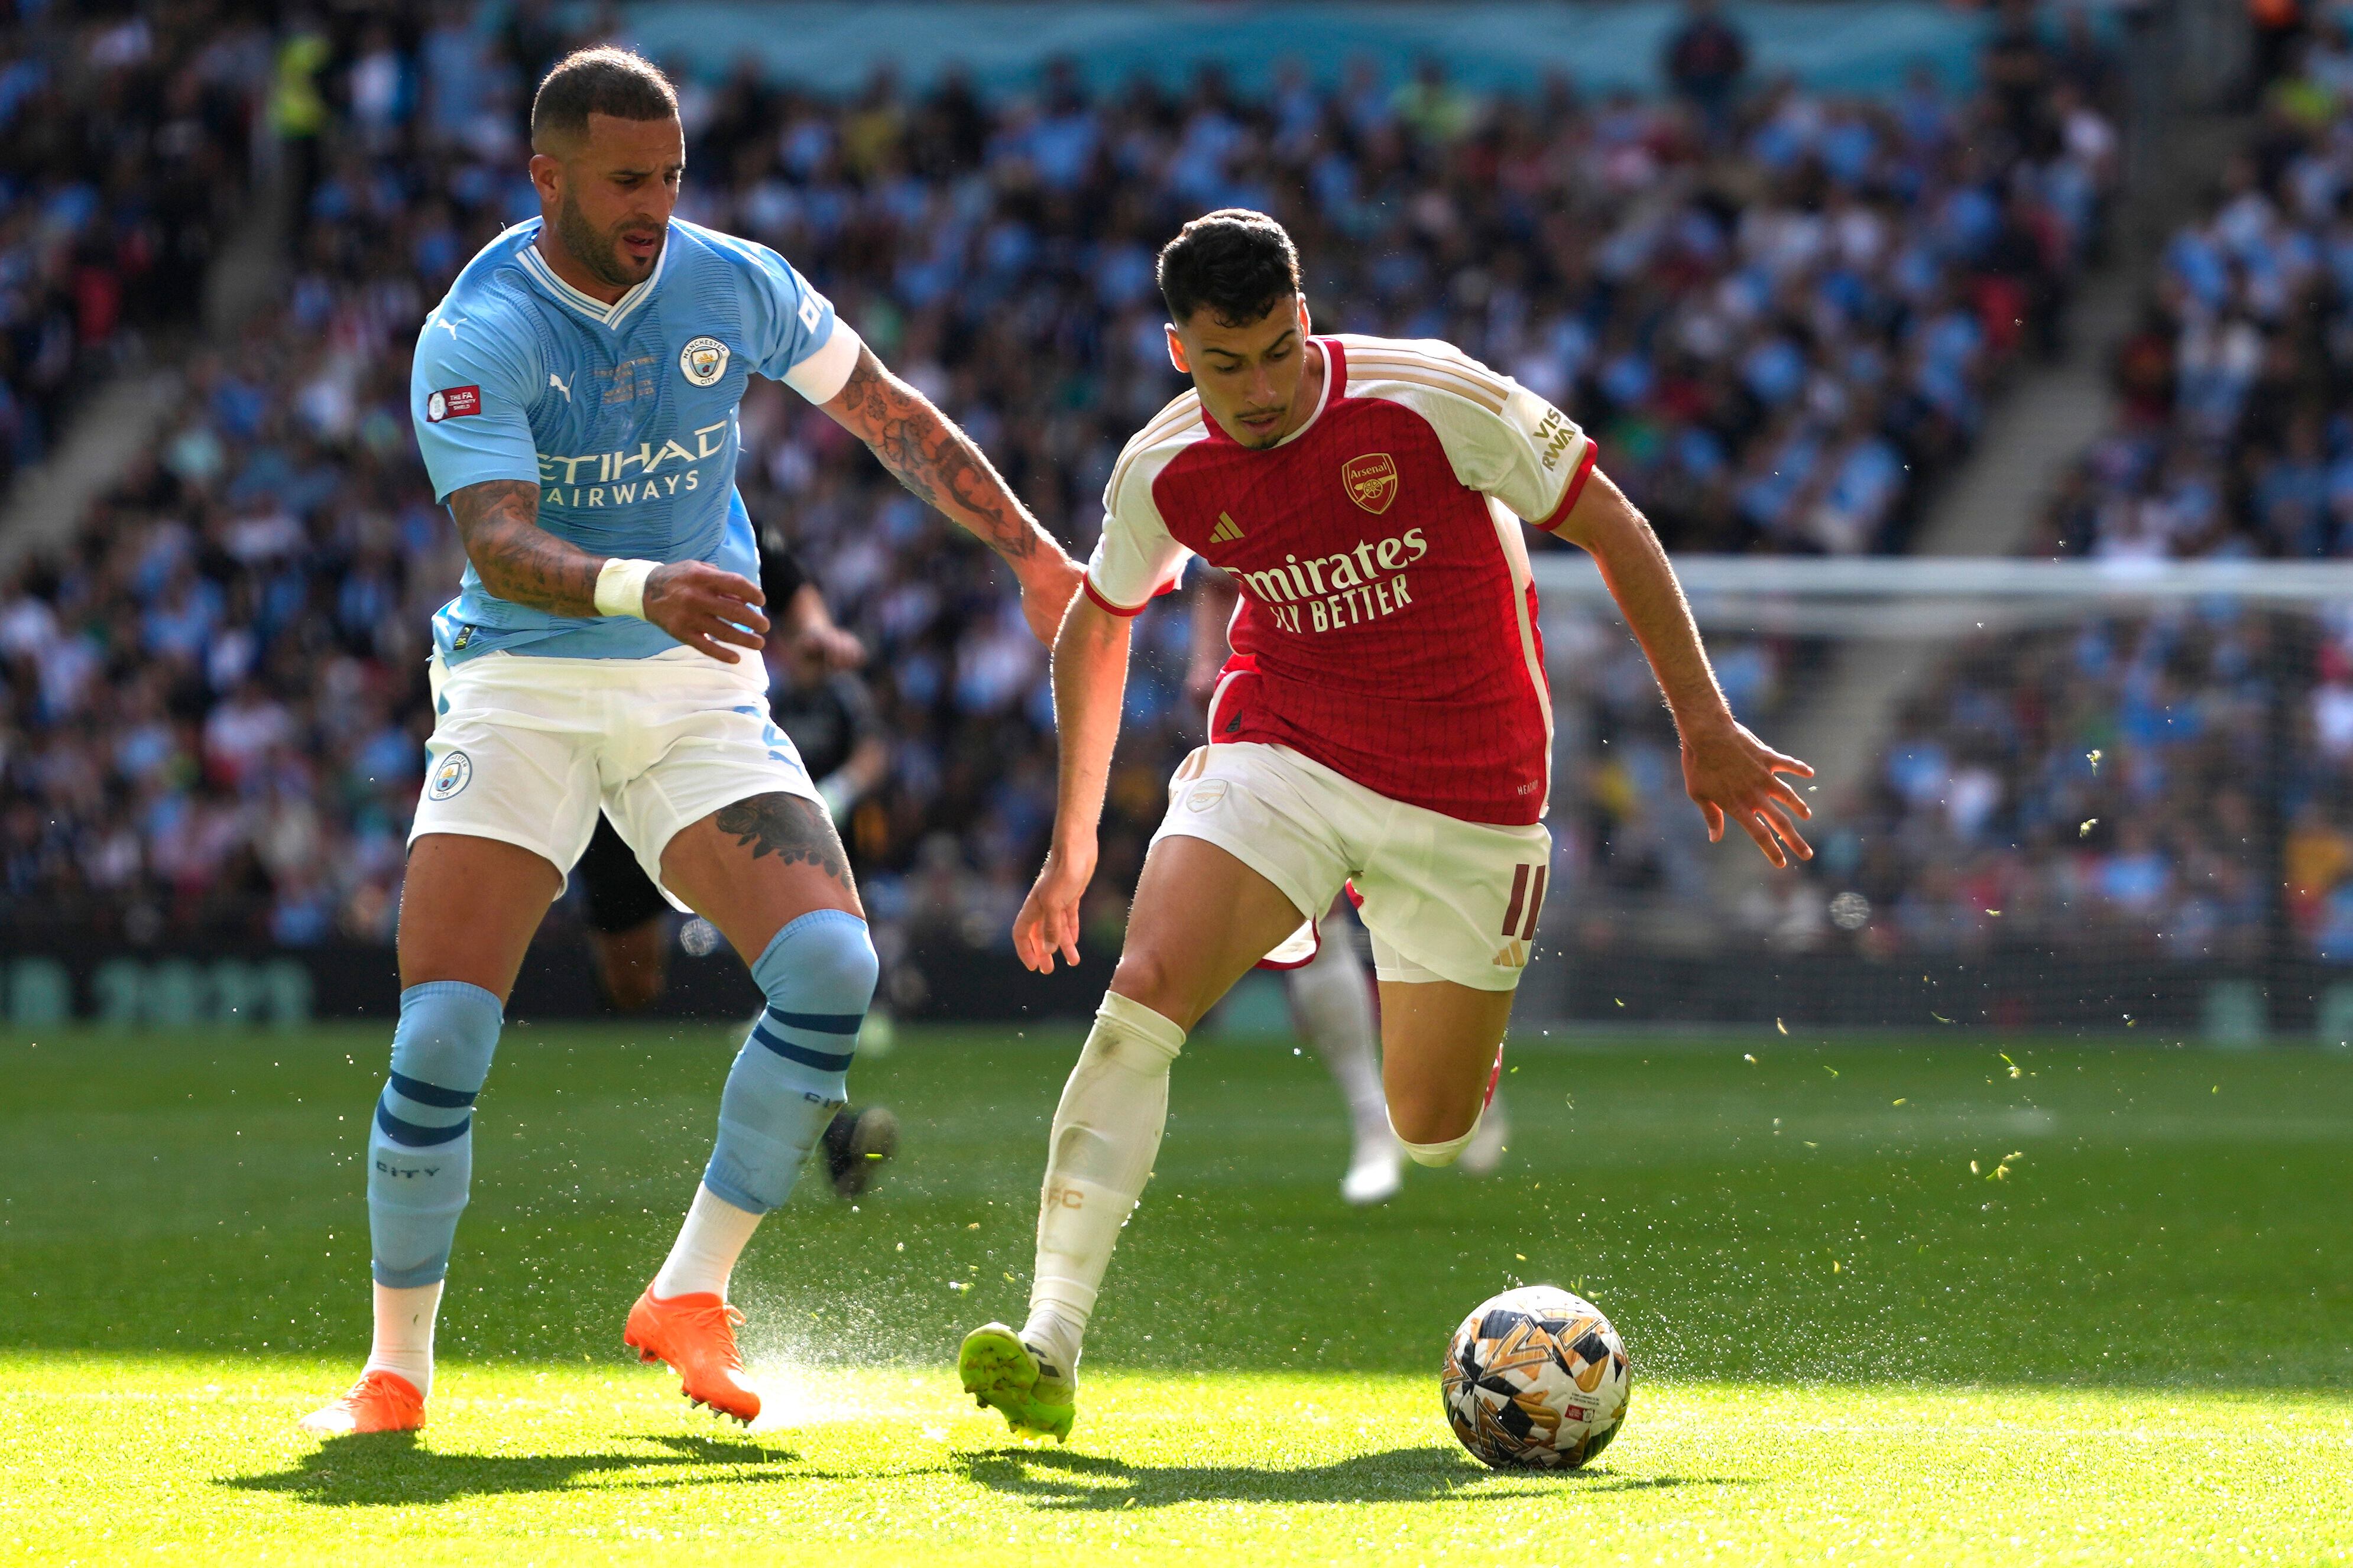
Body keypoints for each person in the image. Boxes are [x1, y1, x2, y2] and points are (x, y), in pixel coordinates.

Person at [299, 46, 1078, 1437]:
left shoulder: (738, 282)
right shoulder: (476, 329)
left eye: (668, 173)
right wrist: (634, 584)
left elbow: (885, 409)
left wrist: (1024, 551)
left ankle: (689, 1295)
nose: (655, 202)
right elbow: (495, 539)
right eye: (623, 180)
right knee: (441, 1036)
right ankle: (396, 1371)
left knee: (834, 966)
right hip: (522, 689)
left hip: (691, 691)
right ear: (546, 177)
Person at [957, 210, 1811, 1440]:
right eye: (1221, 364)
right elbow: (1100, 621)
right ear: (1175, 351)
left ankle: (1378, 969)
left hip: (1472, 794)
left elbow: (1608, 519)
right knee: (1144, 989)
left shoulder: (1428, 395)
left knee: (1431, 1124)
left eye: (1273, 352)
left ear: (1303, 320)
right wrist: (1071, 839)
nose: (1254, 391)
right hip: (1285, 751)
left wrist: (1705, 722)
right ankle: (1050, 1337)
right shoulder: (1162, 467)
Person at [574, 533, 899, 1201]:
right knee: (630, 981)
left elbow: (778, 560)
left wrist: (815, 626)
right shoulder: (567, 486)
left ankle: (818, 1129)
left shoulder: (701, 476)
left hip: (703, 756)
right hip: (597, 742)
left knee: (809, 964)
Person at [1185, 569, 1510, 1205]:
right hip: (1293, 715)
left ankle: (1462, 1084)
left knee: (1427, 928)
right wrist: (1204, 661)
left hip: (1410, 706)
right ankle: (1371, 1121)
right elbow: (1217, 574)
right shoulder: (1256, 474)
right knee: (1315, 919)